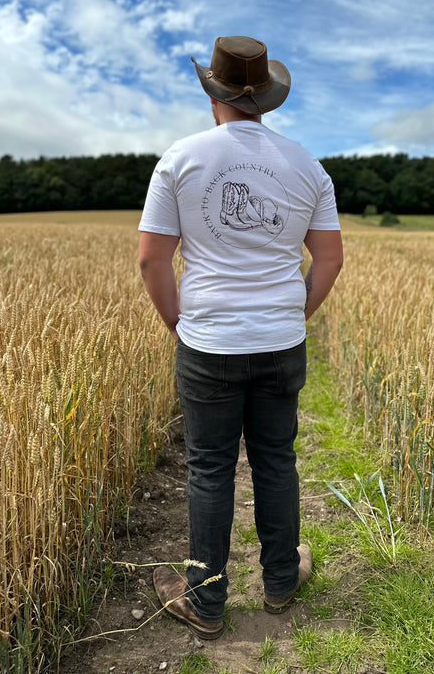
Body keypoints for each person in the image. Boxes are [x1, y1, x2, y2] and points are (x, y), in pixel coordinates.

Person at [138, 35, 343, 640]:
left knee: (209, 468)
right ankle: (281, 579)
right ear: (268, 102)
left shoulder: (180, 159)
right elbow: (329, 259)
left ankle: (206, 601)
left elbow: (153, 260)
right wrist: (294, 314)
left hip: (209, 342)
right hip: (280, 341)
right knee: (277, 458)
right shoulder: (307, 165)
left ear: (213, 96)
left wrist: (179, 321)